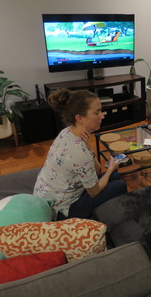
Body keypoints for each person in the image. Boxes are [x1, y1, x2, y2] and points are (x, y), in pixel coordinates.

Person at [34, 89, 127, 220]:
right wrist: (110, 169)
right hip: (60, 211)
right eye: (97, 112)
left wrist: (89, 149)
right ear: (80, 118)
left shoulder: (66, 132)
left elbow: (94, 171)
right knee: (119, 185)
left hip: (47, 195)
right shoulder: (79, 153)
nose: (102, 116)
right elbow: (94, 192)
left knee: (115, 176)